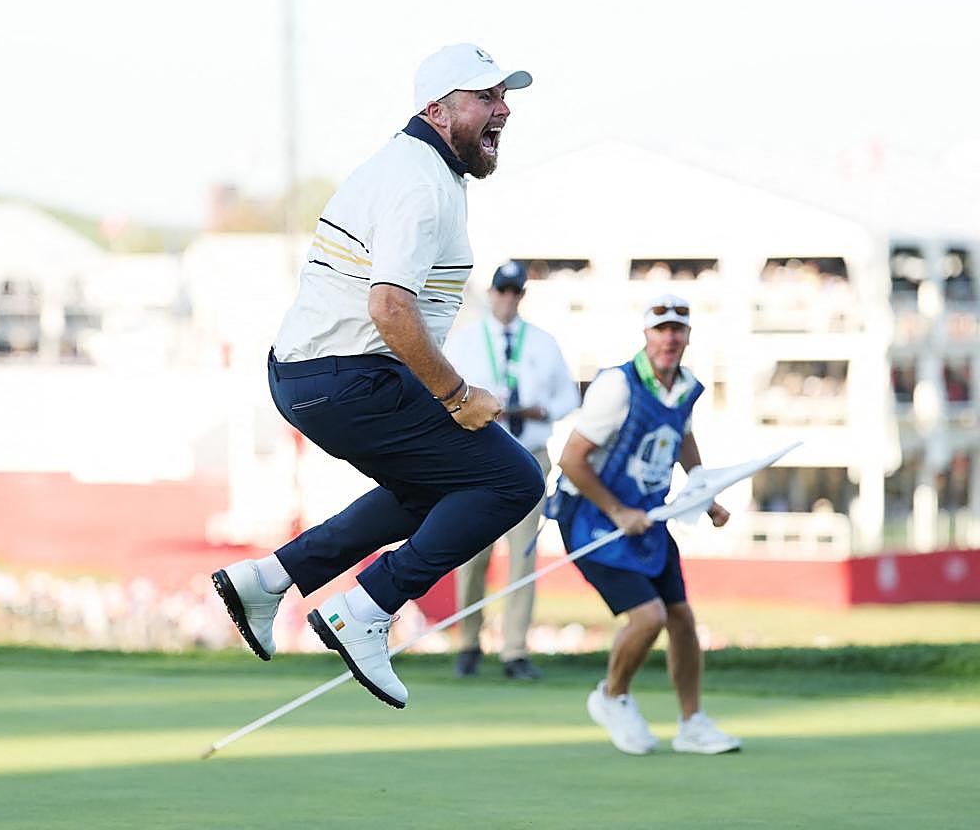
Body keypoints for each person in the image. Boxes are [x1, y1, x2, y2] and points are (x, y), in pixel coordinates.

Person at [212, 43, 542, 709]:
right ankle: (367, 608)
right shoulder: (420, 185)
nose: (503, 109)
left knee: (435, 492)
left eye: (504, 96)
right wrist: (456, 395)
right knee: (513, 480)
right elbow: (389, 305)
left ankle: (270, 579)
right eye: (486, 98)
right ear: (438, 110)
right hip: (345, 376)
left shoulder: (421, 168)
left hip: (311, 374)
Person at [553, 293, 740, 754]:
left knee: (681, 617)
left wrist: (704, 494)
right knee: (649, 616)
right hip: (592, 519)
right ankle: (612, 696)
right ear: (646, 335)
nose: (669, 338)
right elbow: (571, 460)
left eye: (678, 328)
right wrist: (617, 511)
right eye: (661, 329)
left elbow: (682, 440)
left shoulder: (686, 386)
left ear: (688, 336)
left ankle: (692, 722)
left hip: (648, 519)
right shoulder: (616, 386)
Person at [444, 261, 579, 680]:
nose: (507, 298)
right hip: (480, 457)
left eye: (514, 291)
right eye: (501, 290)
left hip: (530, 451)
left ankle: (514, 650)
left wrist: (543, 412)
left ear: (522, 295)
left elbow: (568, 396)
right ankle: (469, 643)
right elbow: (445, 395)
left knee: (522, 556)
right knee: (472, 555)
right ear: (491, 293)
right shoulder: (465, 342)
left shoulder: (542, 342)